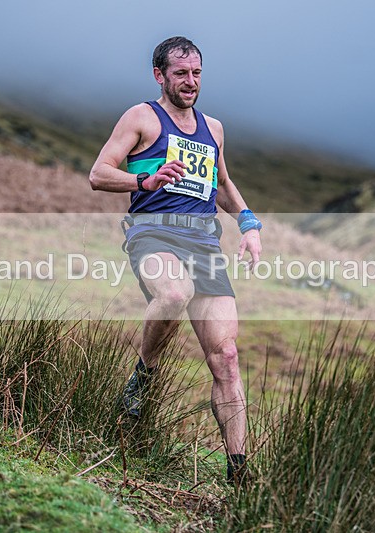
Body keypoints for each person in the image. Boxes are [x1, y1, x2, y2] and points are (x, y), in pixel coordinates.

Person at [89, 36, 263, 484]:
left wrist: (248, 224)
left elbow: (222, 184)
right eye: (181, 73)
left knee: (226, 356)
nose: (190, 82)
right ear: (159, 75)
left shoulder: (214, 128)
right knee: (173, 292)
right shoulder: (142, 117)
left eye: (197, 73)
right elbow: (99, 173)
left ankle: (238, 472)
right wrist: (144, 180)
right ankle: (143, 374)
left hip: (204, 243)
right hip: (153, 232)